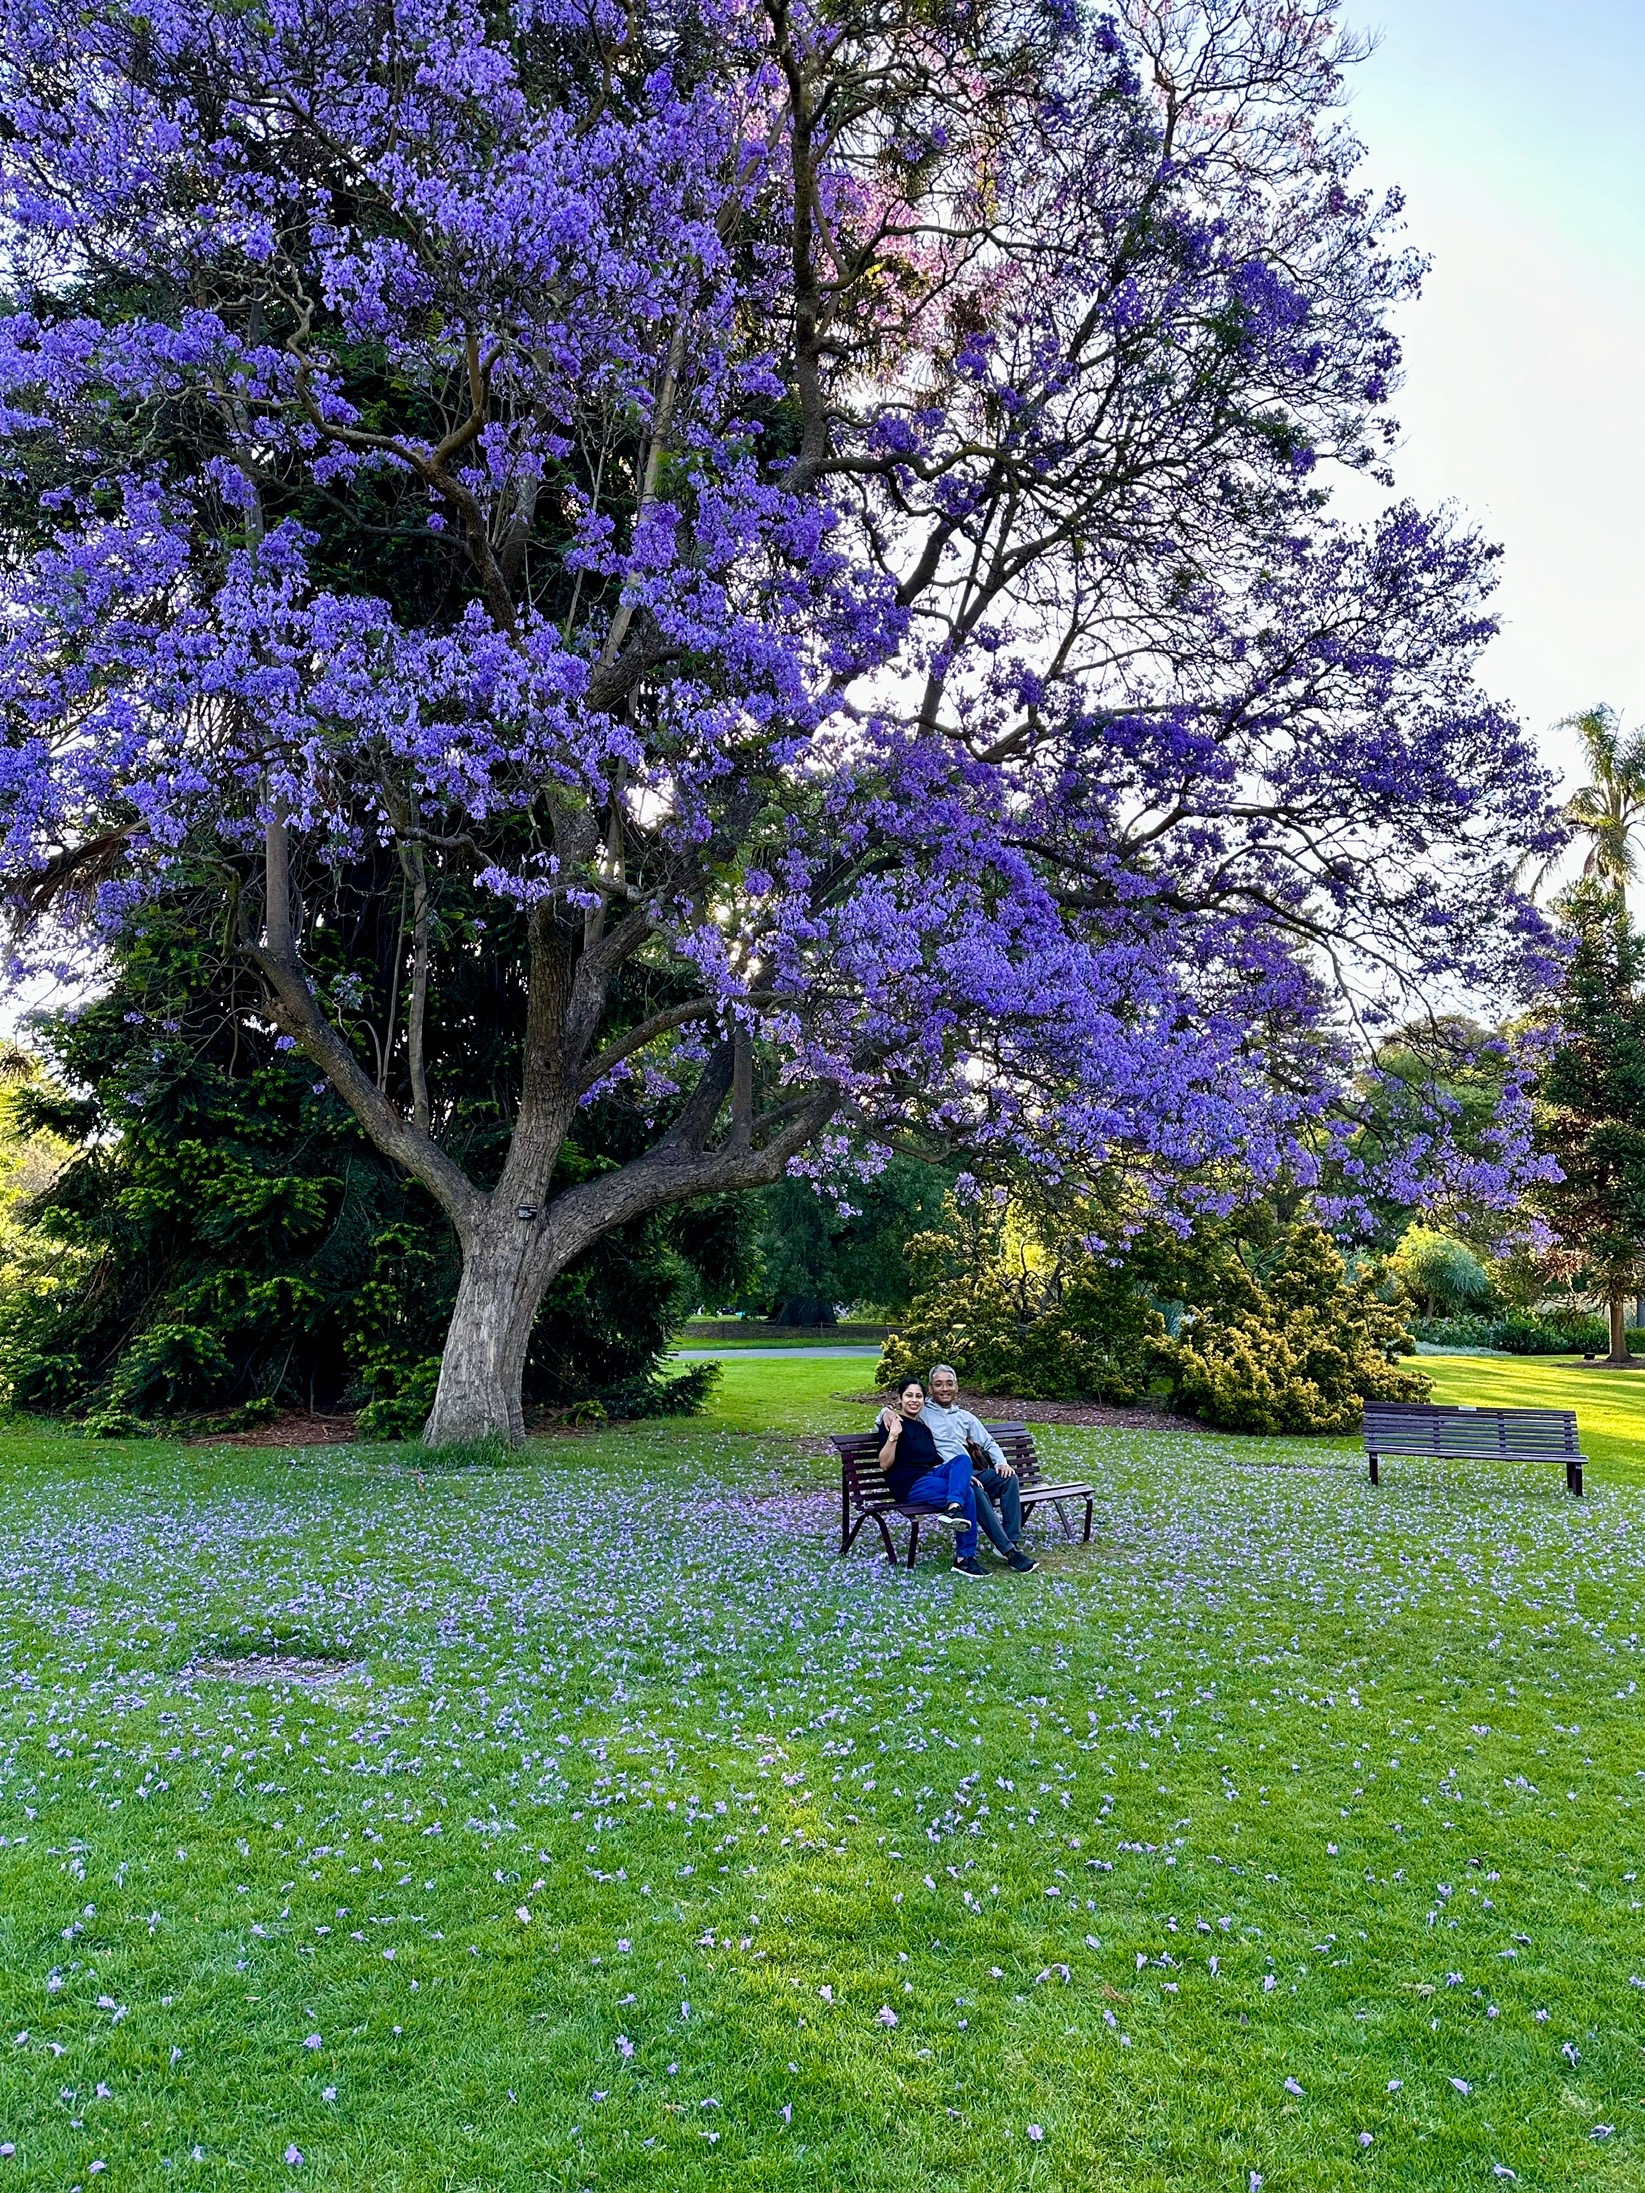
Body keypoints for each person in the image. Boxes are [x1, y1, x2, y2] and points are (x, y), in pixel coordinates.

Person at [876, 1377, 1029, 1578]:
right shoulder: (892, 1424)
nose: (914, 1400)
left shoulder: (923, 1427)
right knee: (968, 1493)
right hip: (909, 1484)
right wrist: (893, 1433)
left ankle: (954, 1509)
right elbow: (884, 1464)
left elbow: (934, 1461)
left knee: (962, 1461)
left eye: (918, 1396)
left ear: (924, 1399)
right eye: (909, 1396)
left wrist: (962, 1476)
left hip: (930, 1474)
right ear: (900, 1399)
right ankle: (964, 1558)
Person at [921, 1362, 1038, 1572]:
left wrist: (1002, 1462)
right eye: (939, 1384)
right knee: (975, 1492)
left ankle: (1011, 1539)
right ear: (930, 1389)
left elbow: (989, 1443)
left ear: (956, 1387)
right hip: (950, 1477)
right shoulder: (923, 1412)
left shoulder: (965, 1417)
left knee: (1008, 1478)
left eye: (949, 1384)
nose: (945, 1389)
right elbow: (896, 1412)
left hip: (973, 1472)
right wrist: (885, 1413)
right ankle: (1009, 1552)